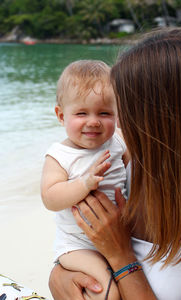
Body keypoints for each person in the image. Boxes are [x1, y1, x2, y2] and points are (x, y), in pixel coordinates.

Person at [48, 27, 181, 300]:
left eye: (122, 110)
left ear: (163, 122)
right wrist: (60, 275)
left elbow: (115, 255)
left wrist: (121, 257)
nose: (114, 125)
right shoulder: (124, 163)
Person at [41, 60, 129, 300]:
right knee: (108, 295)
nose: (94, 121)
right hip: (77, 246)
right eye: (81, 113)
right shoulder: (59, 156)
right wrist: (84, 183)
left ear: (117, 115)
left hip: (119, 237)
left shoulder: (118, 142)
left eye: (104, 113)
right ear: (61, 115)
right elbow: (50, 197)